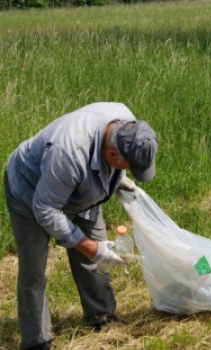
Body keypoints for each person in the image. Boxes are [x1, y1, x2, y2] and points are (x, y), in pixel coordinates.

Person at [3, 102, 158, 350]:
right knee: (34, 273)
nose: (127, 170)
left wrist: (120, 180)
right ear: (111, 156)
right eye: (127, 166)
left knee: (95, 261)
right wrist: (91, 247)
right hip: (31, 193)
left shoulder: (126, 123)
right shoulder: (68, 152)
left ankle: (102, 317)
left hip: (82, 189)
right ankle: (36, 341)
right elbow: (45, 210)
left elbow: (113, 161)